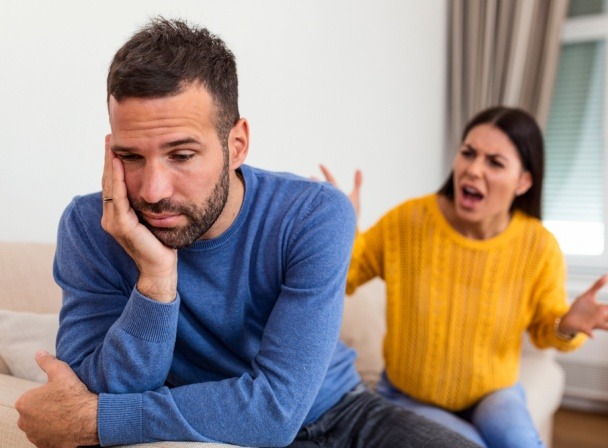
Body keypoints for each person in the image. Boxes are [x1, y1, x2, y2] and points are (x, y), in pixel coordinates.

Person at [14, 17, 479, 448]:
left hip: (342, 413)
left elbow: (275, 410)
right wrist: (155, 282)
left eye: (181, 155)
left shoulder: (314, 214)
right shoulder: (90, 227)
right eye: (131, 157)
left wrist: (99, 420)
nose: (153, 191)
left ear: (236, 145)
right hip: (213, 433)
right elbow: (87, 390)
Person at [320, 106, 608, 448]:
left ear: (524, 181)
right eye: (468, 154)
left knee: (521, 441)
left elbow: (548, 330)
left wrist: (569, 324)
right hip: (410, 396)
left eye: (494, 162)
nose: (473, 170)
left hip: (494, 393)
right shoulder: (408, 221)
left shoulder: (539, 246)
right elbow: (346, 277)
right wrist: (342, 230)